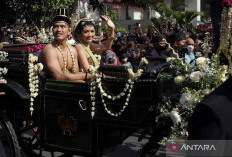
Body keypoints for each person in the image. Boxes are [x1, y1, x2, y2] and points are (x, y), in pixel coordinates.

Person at [39, 9, 90, 81]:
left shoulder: (73, 50)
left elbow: (76, 74)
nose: (59, 29)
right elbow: (59, 77)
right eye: (56, 26)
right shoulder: (49, 49)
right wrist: (89, 76)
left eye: (62, 26)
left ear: (69, 31)